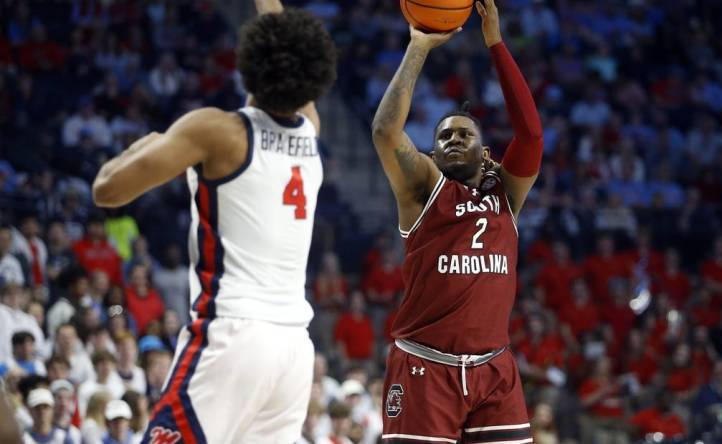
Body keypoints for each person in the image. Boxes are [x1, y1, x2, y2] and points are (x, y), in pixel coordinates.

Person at [90, 0, 336, 441]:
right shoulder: (310, 130)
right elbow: (282, 44)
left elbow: (106, 190)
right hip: (293, 349)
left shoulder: (215, 131)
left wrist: (148, 143)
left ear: (249, 63)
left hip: (232, 335)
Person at [370, 0, 542, 440]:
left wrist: (496, 43)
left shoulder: (507, 193)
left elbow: (531, 134)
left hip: (494, 371)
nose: (452, 140)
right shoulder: (424, 189)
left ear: (485, 153)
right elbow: (386, 132)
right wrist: (418, 47)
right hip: (424, 366)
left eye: (464, 134)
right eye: (443, 135)